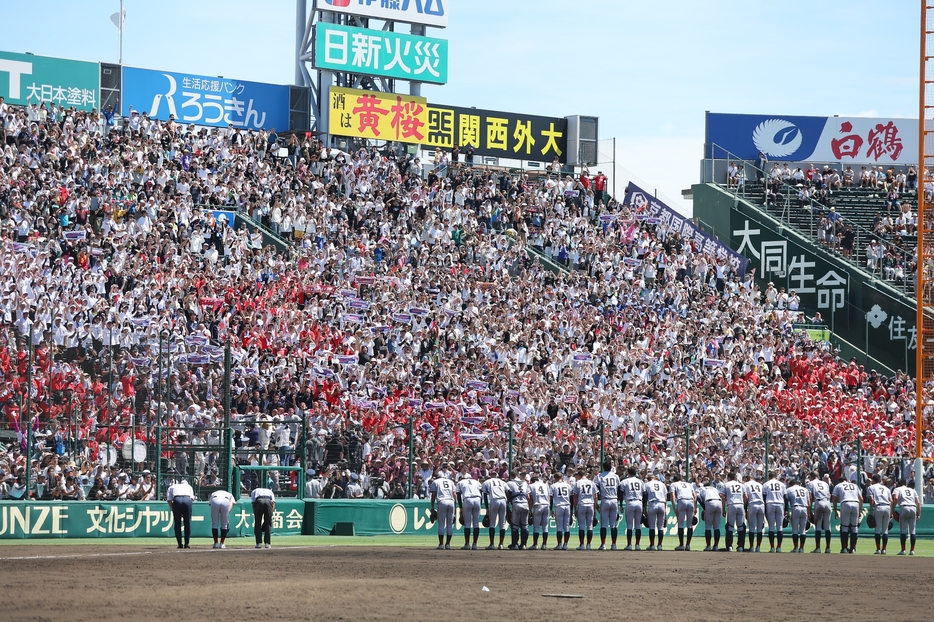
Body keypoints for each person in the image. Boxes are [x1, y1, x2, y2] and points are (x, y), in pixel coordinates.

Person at [594, 458, 620, 550]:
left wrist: (596, 503)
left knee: (604, 524)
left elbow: (596, 491)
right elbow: (619, 489)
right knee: (613, 524)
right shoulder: (616, 476)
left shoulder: (599, 476)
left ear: (603, 467)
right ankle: (614, 545)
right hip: (614, 500)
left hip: (605, 500)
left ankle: (603, 544)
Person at [832, 477, 863, 554]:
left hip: (845, 503)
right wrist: (859, 511)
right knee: (854, 528)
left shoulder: (838, 485)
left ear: (840, 481)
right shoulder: (854, 485)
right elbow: (861, 499)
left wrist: (835, 511)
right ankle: (853, 549)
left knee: (845, 527)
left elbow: (834, 499)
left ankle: (844, 548)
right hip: (856, 503)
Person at [456, 466, 483, 550]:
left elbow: (458, 494)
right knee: (476, 524)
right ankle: (475, 544)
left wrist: (460, 507)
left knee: (467, 524)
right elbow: (481, 492)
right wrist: (480, 504)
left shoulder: (461, 482)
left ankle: (467, 544)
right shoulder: (475, 482)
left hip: (467, 499)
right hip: (477, 499)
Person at [806, 472, 833, 554]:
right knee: (827, 527)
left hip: (819, 502)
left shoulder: (810, 483)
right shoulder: (825, 483)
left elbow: (810, 498)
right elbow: (829, 495)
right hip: (827, 503)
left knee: (818, 526)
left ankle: (818, 548)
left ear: (811, 476)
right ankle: (828, 548)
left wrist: (809, 510)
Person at [720, 470, 747, 552]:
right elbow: (746, 496)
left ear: (728, 478)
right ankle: (741, 547)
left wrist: (723, 509)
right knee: (741, 527)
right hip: (740, 504)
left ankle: (729, 546)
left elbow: (723, 497)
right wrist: (744, 506)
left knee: (730, 526)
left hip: (732, 504)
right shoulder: (741, 485)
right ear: (735, 477)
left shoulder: (726, 484)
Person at [866, 473, 893, 555]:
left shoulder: (871, 487)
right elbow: (891, 501)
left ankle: (878, 549)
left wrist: (871, 512)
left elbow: (871, 500)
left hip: (878, 507)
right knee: (885, 530)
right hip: (887, 507)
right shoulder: (886, 488)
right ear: (880, 480)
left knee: (877, 529)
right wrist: (891, 512)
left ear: (873, 480)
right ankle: (884, 549)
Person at [892, 479, 921, 555]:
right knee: (912, 531)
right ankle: (912, 550)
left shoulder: (897, 489)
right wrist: (919, 514)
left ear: (899, 484)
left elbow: (895, 498)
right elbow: (918, 502)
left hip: (904, 507)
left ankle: (903, 550)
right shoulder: (912, 490)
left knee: (903, 530)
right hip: (913, 508)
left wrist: (892, 510)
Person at [429, 471, 456, 550]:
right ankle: (448, 544)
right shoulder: (450, 481)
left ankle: (441, 544)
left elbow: (433, 495)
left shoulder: (436, 481)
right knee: (450, 524)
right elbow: (454, 494)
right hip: (451, 501)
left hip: (442, 501)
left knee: (441, 524)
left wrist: (432, 506)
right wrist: (455, 504)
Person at [619, 465, 644, 551]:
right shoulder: (640, 482)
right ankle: (637, 545)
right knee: (638, 526)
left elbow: (621, 494)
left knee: (629, 525)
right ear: (636, 472)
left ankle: (629, 545)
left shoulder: (624, 481)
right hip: (639, 502)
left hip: (630, 502)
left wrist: (621, 504)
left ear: (628, 472)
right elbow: (644, 494)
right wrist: (644, 506)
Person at [670, 473, 696, 551]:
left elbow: (672, 495)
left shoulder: (673, 484)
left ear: (674, 479)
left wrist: (674, 507)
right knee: (689, 525)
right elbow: (695, 496)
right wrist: (695, 507)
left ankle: (681, 545)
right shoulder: (688, 484)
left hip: (681, 501)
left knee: (680, 524)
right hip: (690, 501)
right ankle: (688, 545)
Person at [166, 478, 194, 549]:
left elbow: (169, 500)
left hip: (177, 499)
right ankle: (187, 544)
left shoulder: (172, 487)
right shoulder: (189, 486)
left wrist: (173, 509)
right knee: (187, 523)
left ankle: (180, 544)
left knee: (177, 523)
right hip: (187, 500)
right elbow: (191, 499)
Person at [505, 469, 531, 550]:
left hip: (516, 504)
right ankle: (523, 545)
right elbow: (528, 496)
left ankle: (515, 544)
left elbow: (508, 494)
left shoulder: (510, 483)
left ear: (511, 476)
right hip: (525, 503)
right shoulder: (524, 482)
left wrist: (507, 505)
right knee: (525, 526)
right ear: (518, 475)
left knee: (515, 526)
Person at [572, 467, 597, 550]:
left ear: (579, 475)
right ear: (586, 475)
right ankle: (589, 545)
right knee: (590, 526)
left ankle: (582, 545)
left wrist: (575, 508)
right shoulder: (591, 483)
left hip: (582, 504)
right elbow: (596, 496)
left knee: (581, 526)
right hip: (590, 504)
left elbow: (575, 497)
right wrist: (595, 507)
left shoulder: (577, 483)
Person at [482, 472, 508, 550]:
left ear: (490, 475)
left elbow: (485, 495)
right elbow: (508, 491)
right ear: (496, 475)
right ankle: (501, 544)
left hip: (494, 500)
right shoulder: (502, 482)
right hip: (503, 500)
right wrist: (507, 502)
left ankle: (492, 544)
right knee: (502, 523)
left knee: (492, 523)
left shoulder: (487, 482)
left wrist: (487, 508)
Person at [784, 478, 810, 553]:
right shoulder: (805, 489)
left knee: (795, 530)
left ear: (790, 484)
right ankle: (801, 548)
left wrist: (787, 512)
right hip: (804, 508)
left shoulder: (789, 489)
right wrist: (808, 512)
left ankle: (796, 548)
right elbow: (809, 502)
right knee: (803, 530)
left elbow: (786, 501)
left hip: (795, 508)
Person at [643, 471, 668, 551]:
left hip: (653, 504)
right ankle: (660, 545)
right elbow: (666, 497)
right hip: (662, 504)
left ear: (648, 479)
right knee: (660, 527)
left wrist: (644, 508)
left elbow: (644, 496)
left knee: (652, 526)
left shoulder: (647, 484)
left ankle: (652, 545)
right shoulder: (662, 484)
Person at [764, 470, 787, 553]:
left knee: (771, 527)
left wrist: (765, 510)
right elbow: (786, 498)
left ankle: (772, 547)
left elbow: (764, 497)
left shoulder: (766, 484)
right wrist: (786, 509)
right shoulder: (782, 484)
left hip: (770, 503)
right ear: (776, 477)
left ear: (769, 477)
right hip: (780, 504)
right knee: (779, 527)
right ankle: (779, 547)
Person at [550, 471, 573, 550]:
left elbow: (550, 498)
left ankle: (559, 544)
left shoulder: (553, 486)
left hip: (559, 506)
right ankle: (565, 544)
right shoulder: (568, 485)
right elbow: (572, 498)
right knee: (566, 527)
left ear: (555, 478)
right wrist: (572, 509)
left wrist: (550, 508)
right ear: (562, 478)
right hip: (567, 506)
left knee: (559, 527)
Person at [528, 472, 551, 550]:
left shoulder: (531, 485)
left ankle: (535, 544)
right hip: (546, 505)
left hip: (538, 505)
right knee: (545, 527)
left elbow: (530, 499)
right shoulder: (545, 485)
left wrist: (530, 510)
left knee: (536, 526)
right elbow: (549, 496)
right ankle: (544, 545)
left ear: (531, 481)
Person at [700, 477, 723, 552]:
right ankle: (716, 546)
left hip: (709, 502)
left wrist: (705, 509)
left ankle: (708, 546)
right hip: (719, 502)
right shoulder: (714, 488)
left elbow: (699, 499)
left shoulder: (702, 489)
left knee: (708, 526)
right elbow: (721, 496)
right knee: (716, 527)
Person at [744, 472, 765, 553]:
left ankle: (752, 547)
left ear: (747, 479)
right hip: (761, 505)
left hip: (752, 504)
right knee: (759, 528)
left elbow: (746, 497)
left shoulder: (746, 484)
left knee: (752, 528)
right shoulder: (760, 484)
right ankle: (758, 547)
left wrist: (745, 510)